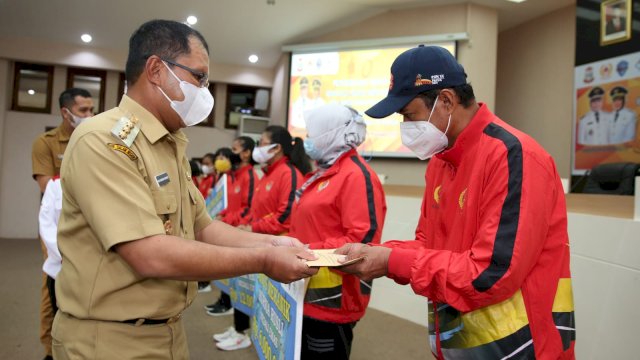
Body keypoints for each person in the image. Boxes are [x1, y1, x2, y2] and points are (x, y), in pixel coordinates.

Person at [51, 19, 317, 359]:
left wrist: (272, 241)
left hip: (167, 331)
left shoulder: (168, 142)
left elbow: (203, 227)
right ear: (156, 70)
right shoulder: (104, 141)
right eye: (199, 77)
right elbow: (148, 253)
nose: (204, 90)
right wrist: (264, 259)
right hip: (108, 339)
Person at [337, 45, 576, 359]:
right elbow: (429, 243)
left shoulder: (512, 156)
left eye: (409, 116)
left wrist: (390, 260)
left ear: (446, 101)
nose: (406, 128)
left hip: (521, 347)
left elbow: (490, 274)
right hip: (462, 344)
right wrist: (380, 254)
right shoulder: (441, 161)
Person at [290, 104, 387, 359]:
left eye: (312, 134)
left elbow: (361, 242)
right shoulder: (322, 174)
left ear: (330, 134)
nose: (308, 140)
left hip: (332, 297)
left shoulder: (356, 175)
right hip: (304, 286)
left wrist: (304, 251)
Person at [216, 126, 310, 351]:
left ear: (276, 147)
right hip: (257, 242)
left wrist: (252, 227)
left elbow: (284, 217)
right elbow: (255, 210)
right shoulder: (268, 174)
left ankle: (245, 333)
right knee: (245, 291)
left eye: (260, 143)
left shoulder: (289, 174)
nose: (257, 148)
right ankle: (240, 330)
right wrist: (244, 225)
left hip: (274, 248)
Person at [31, 87, 94, 360]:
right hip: (57, 223)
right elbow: (47, 185)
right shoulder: (46, 142)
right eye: (83, 111)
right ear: (65, 112)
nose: (90, 115)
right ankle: (50, 348)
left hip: (91, 220)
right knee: (54, 281)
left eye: (92, 110)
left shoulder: (95, 138)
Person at [38, 176, 63, 314]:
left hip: (90, 272)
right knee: (57, 316)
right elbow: (46, 226)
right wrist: (67, 256)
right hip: (58, 271)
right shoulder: (55, 185)